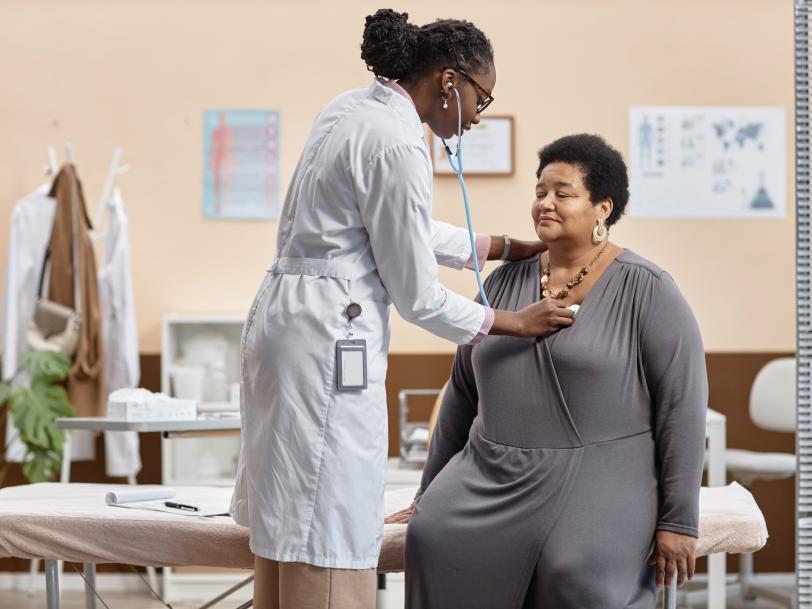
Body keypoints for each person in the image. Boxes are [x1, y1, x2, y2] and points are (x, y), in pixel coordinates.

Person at [229, 10, 574, 609]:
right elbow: (416, 295)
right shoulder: (398, 143)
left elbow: (391, 226)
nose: (477, 115)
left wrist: (491, 247)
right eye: (481, 97)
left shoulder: (350, 108)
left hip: (286, 320)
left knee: (288, 511)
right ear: (449, 82)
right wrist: (511, 322)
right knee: (325, 514)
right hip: (327, 337)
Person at [403, 134, 708, 609]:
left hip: (599, 475)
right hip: (491, 470)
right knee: (432, 535)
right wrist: (429, 490)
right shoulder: (504, 280)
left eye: (562, 193)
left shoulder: (648, 290)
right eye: (540, 191)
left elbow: (682, 409)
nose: (545, 203)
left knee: (576, 574)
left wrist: (679, 521)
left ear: (602, 207)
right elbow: (462, 392)